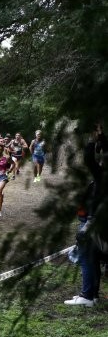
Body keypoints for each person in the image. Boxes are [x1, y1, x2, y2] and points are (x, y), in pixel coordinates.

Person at [65, 123, 107, 306]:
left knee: (87, 254)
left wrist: (92, 139)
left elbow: (89, 159)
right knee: (94, 256)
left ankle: (88, 295)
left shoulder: (104, 176)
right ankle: (92, 295)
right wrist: (101, 138)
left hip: (97, 222)